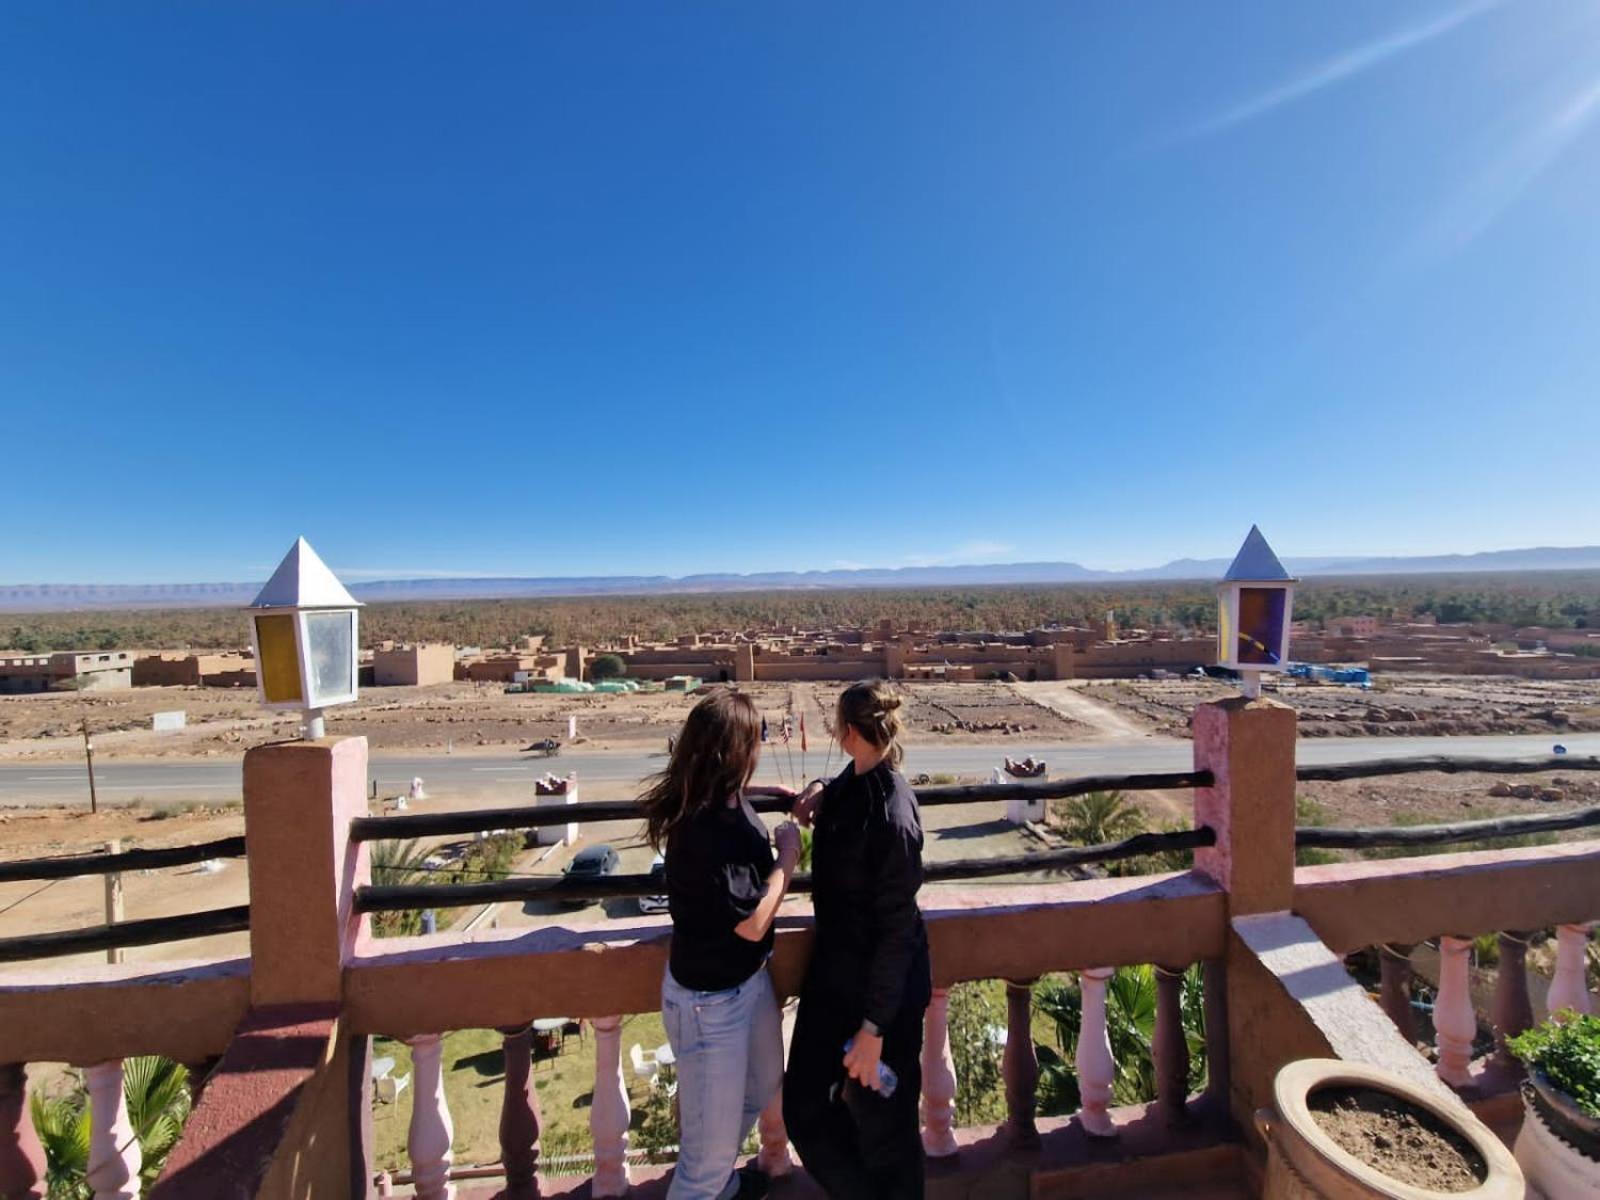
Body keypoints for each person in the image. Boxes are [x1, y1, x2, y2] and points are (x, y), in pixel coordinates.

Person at [640, 688, 801, 1200]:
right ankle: (709, 1184)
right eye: (758, 738)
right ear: (733, 750)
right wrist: (788, 859)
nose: (762, 745)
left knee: (761, 1089)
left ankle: (722, 1183)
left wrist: (780, 794)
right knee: (703, 1165)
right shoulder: (704, 828)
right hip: (710, 1005)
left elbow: (736, 808)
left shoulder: (722, 799)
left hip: (746, 984)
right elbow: (753, 923)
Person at [783, 680, 930, 1200]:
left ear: (847, 733)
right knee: (804, 1107)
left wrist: (874, 1030)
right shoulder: (858, 781)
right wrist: (823, 788)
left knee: (888, 1133)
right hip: (835, 981)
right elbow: (846, 787)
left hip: (879, 1001)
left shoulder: (893, 816)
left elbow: (897, 932)